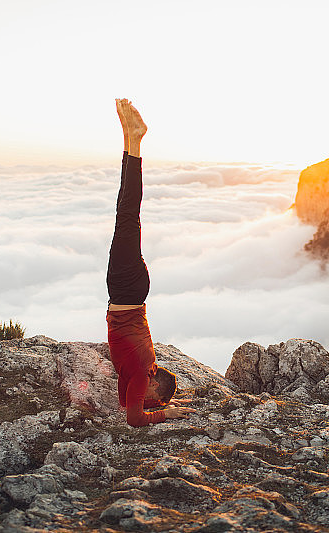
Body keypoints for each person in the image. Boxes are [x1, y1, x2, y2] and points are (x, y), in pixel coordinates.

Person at [106, 98, 196, 427]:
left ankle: (132, 140)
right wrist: (166, 412)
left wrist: (162, 402)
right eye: (153, 399)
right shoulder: (144, 374)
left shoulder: (139, 373)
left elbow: (125, 402)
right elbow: (134, 419)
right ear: (155, 386)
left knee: (126, 214)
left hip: (130, 292)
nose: (145, 401)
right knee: (127, 213)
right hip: (126, 291)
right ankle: (135, 139)